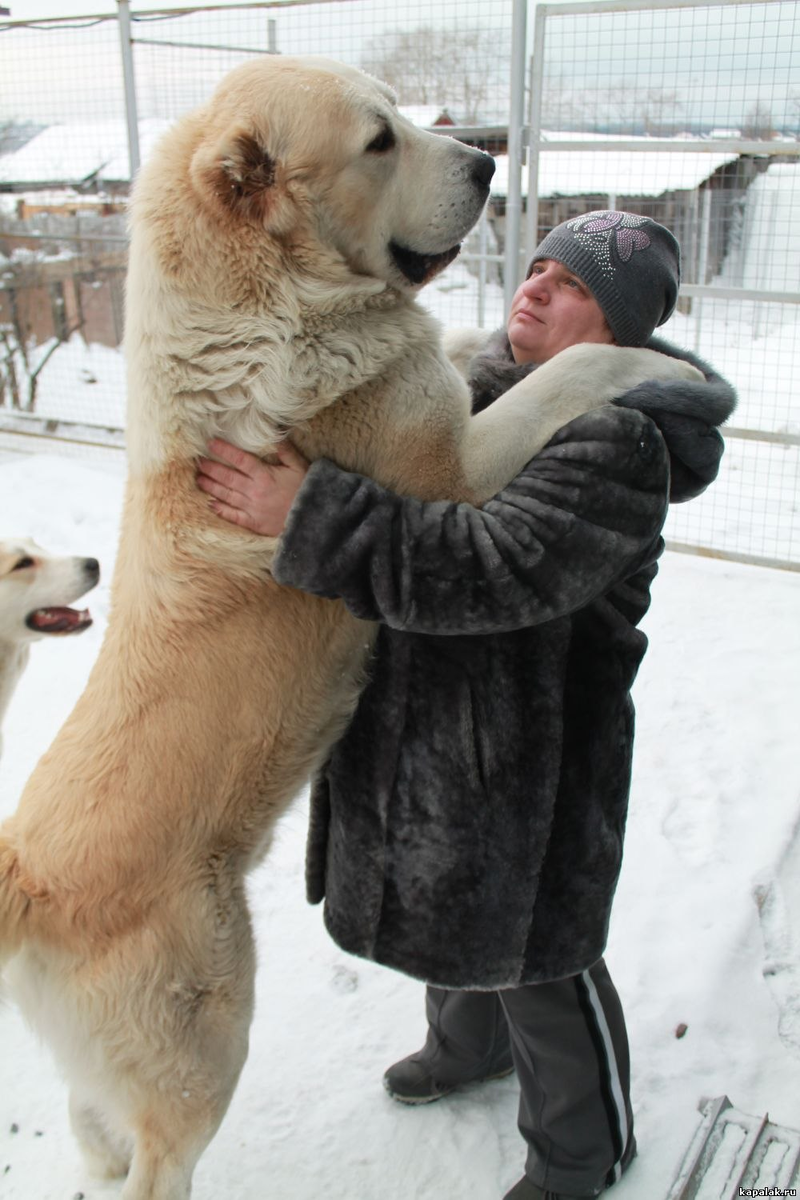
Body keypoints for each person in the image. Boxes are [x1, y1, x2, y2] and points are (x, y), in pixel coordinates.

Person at [196, 211, 737, 1200]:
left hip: (535, 751)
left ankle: (582, 1148)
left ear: (619, 319)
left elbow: (494, 569)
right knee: (443, 898)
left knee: (536, 951)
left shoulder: (615, 436)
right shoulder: (460, 396)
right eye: (536, 266)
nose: (533, 284)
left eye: (571, 282)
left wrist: (310, 514)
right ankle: (466, 1046)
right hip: (428, 713)